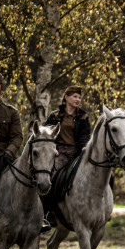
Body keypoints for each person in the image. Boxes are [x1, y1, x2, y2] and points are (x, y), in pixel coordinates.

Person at [42, 85, 92, 232]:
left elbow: (85, 135)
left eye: (79, 97)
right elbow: (46, 133)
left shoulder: (83, 117)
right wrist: (52, 149)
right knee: (50, 177)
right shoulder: (55, 116)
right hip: (58, 153)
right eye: (75, 96)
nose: (78, 100)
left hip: (77, 153)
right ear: (66, 97)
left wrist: (84, 147)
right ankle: (47, 213)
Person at [0, 72, 23, 227]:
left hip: (5, 158)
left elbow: (17, 137)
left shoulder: (11, 112)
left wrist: (10, 151)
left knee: (29, 179)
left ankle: (34, 219)